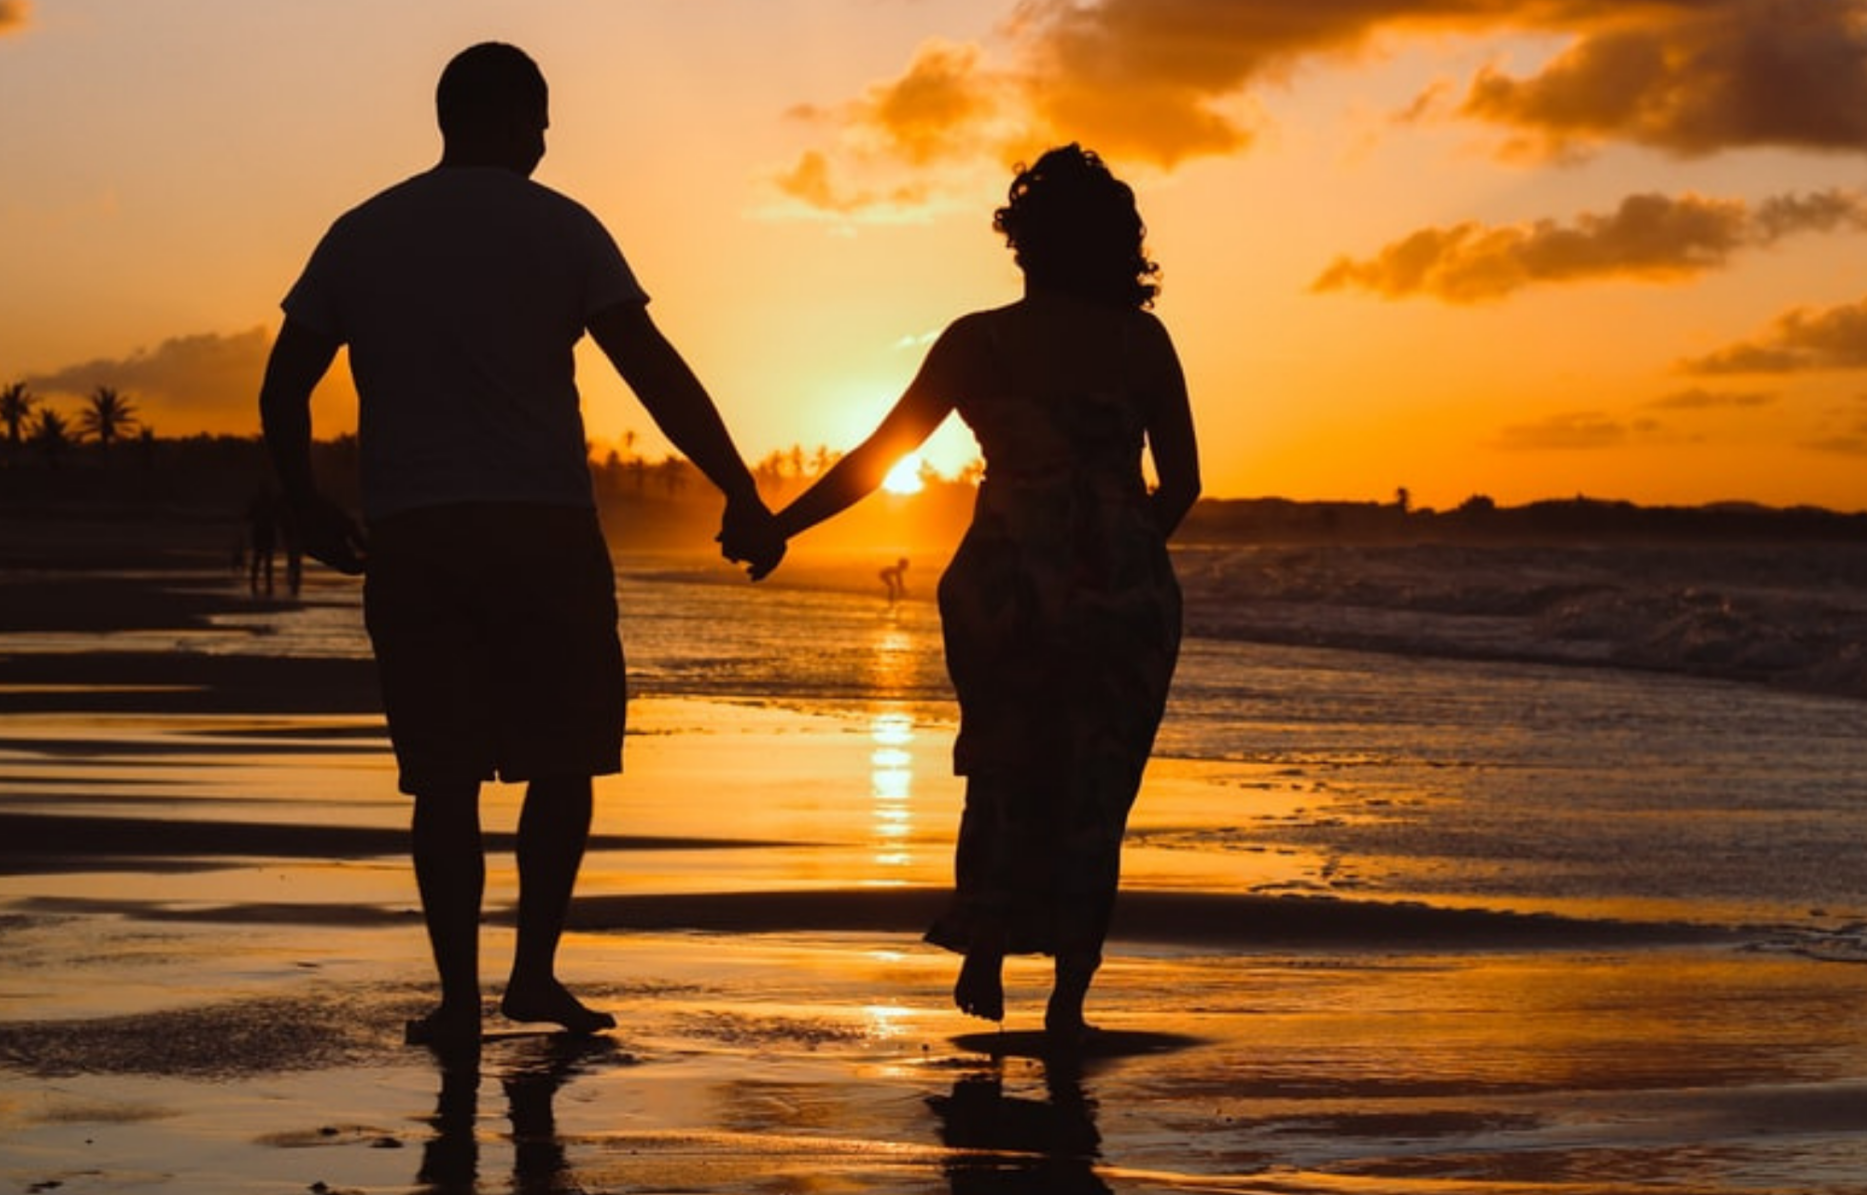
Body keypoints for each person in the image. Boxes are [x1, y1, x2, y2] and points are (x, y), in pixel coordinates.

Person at [260, 42, 784, 1051]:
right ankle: (532, 973)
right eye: (540, 121)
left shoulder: (361, 233)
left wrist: (307, 504)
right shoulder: (562, 228)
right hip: (540, 528)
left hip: (415, 534)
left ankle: (459, 1000)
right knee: (564, 757)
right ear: (517, 118)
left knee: (442, 777)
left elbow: (284, 386)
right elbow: (653, 373)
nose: (546, 141)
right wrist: (739, 488)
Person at [735, 145, 1199, 1044]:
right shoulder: (1143, 342)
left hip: (1006, 586)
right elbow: (1182, 481)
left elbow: (878, 460)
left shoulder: (979, 340)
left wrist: (780, 527)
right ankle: (1069, 999)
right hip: (1124, 597)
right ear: (1118, 245)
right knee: (1097, 791)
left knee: (1001, 765)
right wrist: (1118, 553)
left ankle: (985, 945)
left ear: (1021, 241)